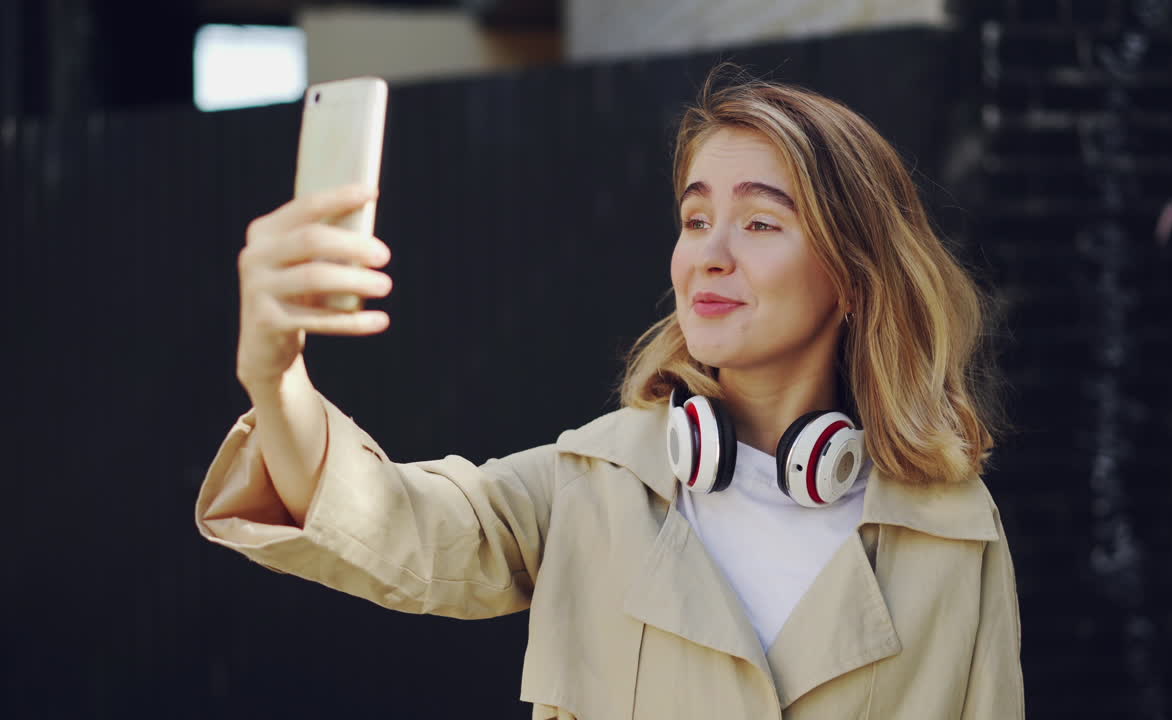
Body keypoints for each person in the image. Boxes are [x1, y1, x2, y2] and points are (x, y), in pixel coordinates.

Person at [196, 64, 1022, 719]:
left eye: (761, 222)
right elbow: (387, 520)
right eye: (696, 220)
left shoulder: (952, 532)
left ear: (852, 278)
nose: (710, 254)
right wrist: (276, 378)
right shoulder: (591, 482)